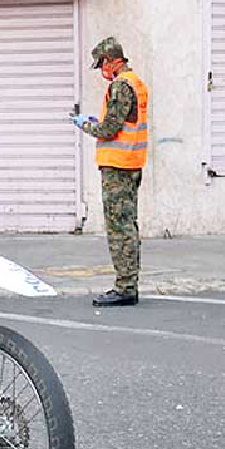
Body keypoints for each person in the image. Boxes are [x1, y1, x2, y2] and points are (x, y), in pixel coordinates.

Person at [71, 37, 149, 308]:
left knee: (119, 228)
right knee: (128, 225)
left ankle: (125, 287)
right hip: (131, 162)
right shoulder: (136, 82)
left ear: (111, 60)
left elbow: (108, 130)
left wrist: (85, 125)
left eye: (102, 64)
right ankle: (129, 283)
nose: (102, 71)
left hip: (118, 166)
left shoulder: (121, 86)